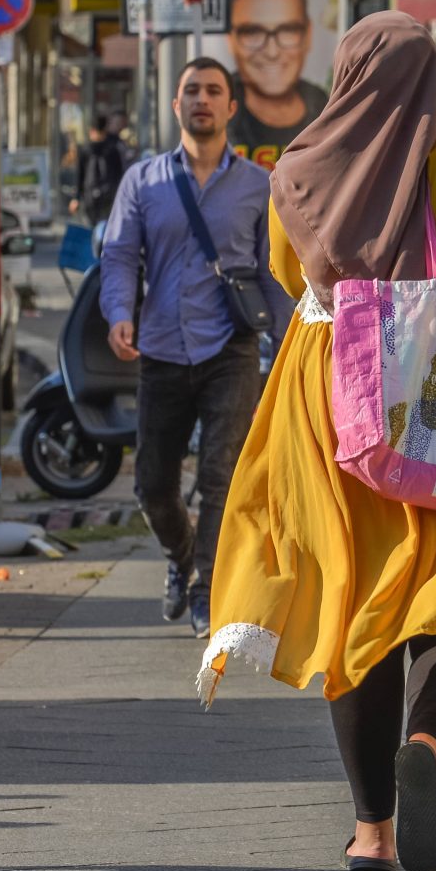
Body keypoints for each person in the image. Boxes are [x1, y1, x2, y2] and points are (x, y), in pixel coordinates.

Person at [201, 12, 436, 871]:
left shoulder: (294, 168)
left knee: (350, 598)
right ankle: (426, 746)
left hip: (328, 399)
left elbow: (290, 280)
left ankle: (371, 831)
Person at [98, 60, 275, 638]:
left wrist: (298, 336)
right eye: (191, 90)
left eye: (214, 91)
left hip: (232, 349)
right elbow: (121, 255)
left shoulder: (257, 185)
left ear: (230, 108)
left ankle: (206, 591)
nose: (202, 99)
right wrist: (119, 314)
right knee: (152, 484)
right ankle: (180, 558)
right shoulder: (142, 181)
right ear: (176, 106)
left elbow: (272, 271)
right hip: (162, 349)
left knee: (221, 475)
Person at [226, 0, 331, 166]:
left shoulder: (325, 108)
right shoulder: (216, 107)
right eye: (253, 32)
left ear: (308, 35)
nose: (272, 52)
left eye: (287, 30)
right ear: (230, 40)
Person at [69, 114, 128, 229]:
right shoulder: (113, 149)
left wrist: (76, 198)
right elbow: (120, 174)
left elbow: (80, 176)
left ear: (92, 131)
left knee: (90, 229)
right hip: (108, 196)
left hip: (90, 196)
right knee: (106, 229)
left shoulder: (86, 150)